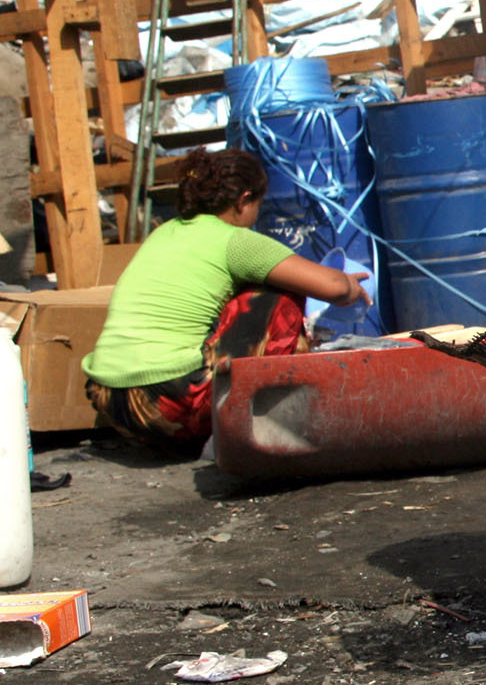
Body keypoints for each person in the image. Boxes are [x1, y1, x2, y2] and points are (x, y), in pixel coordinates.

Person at [82, 148, 371, 455]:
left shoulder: (163, 232)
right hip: (171, 403)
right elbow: (334, 287)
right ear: (244, 199)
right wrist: (353, 289)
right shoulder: (235, 241)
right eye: (257, 204)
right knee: (279, 296)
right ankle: (259, 419)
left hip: (111, 402)